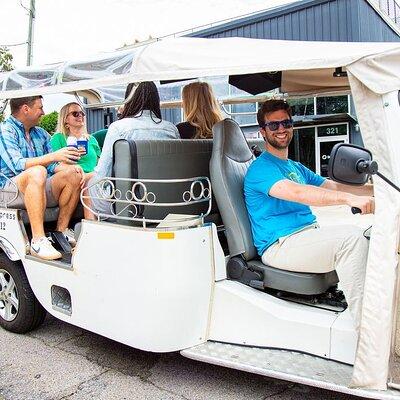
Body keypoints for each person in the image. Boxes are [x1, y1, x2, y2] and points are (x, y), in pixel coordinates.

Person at [244, 99, 374, 332]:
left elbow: (332, 186)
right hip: (280, 245)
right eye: (273, 126)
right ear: (263, 131)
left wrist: (378, 191)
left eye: (286, 122)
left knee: (369, 235)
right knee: (351, 240)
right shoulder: (260, 169)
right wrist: (349, 200)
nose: (281, 129)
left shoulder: (295, 167)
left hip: (304, 237)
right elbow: (299, 193)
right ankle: (368, 333)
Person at [0, 96, 83, 260]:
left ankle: (60, 233)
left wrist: (70, 168)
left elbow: (52, 166)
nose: (43, 112)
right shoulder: (5, 130)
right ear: (26, 109)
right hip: (9, 191)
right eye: (40, 108)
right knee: (37, 171)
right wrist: (54, 156)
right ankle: (38, 240)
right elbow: (17, 165)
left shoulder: (41, 133)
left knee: (72, 173)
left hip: (37, 184)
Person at [88, 81, 179, 215]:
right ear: (155, 98)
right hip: (167, 200)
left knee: (89, 184)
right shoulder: (171, 129)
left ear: (129, 98)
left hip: (129, 203)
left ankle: (91, 229)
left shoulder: (118, 127)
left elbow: (102, 174)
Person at [51, 102, 101, 174]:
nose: (80, 115)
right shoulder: (58, 138)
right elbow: (54, 166)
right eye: (75, 113)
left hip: (93, 178)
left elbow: (100, 164)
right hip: (72, 177)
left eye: (82, 113)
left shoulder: (91, 139)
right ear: (65, 119)